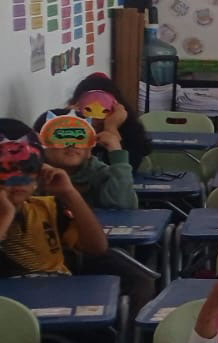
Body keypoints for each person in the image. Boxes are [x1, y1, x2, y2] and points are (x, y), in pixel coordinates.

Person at [0, 119, 109, 277]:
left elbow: (97, 247)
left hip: (59, 294)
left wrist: (69, 194)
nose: (19, 178)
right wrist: (5, 217)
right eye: (5, 168)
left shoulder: (46, 208)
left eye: (28, 167)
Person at [33, 109, 136, 210]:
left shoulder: (99, 173)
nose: (71, 145)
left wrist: (116, 152)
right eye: (60, 136)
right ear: (39, 144)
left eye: (80, 137)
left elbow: (124, 204)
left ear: (91, 147)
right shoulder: (32, 175)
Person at [71, 74, 151, 172]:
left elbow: (128, 171)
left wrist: (111, 129)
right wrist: (66, 121)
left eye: (105, 110)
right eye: (88, 109)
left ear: (117, 108)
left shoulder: (131, 132)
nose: (96, 118)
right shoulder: (67, 130)